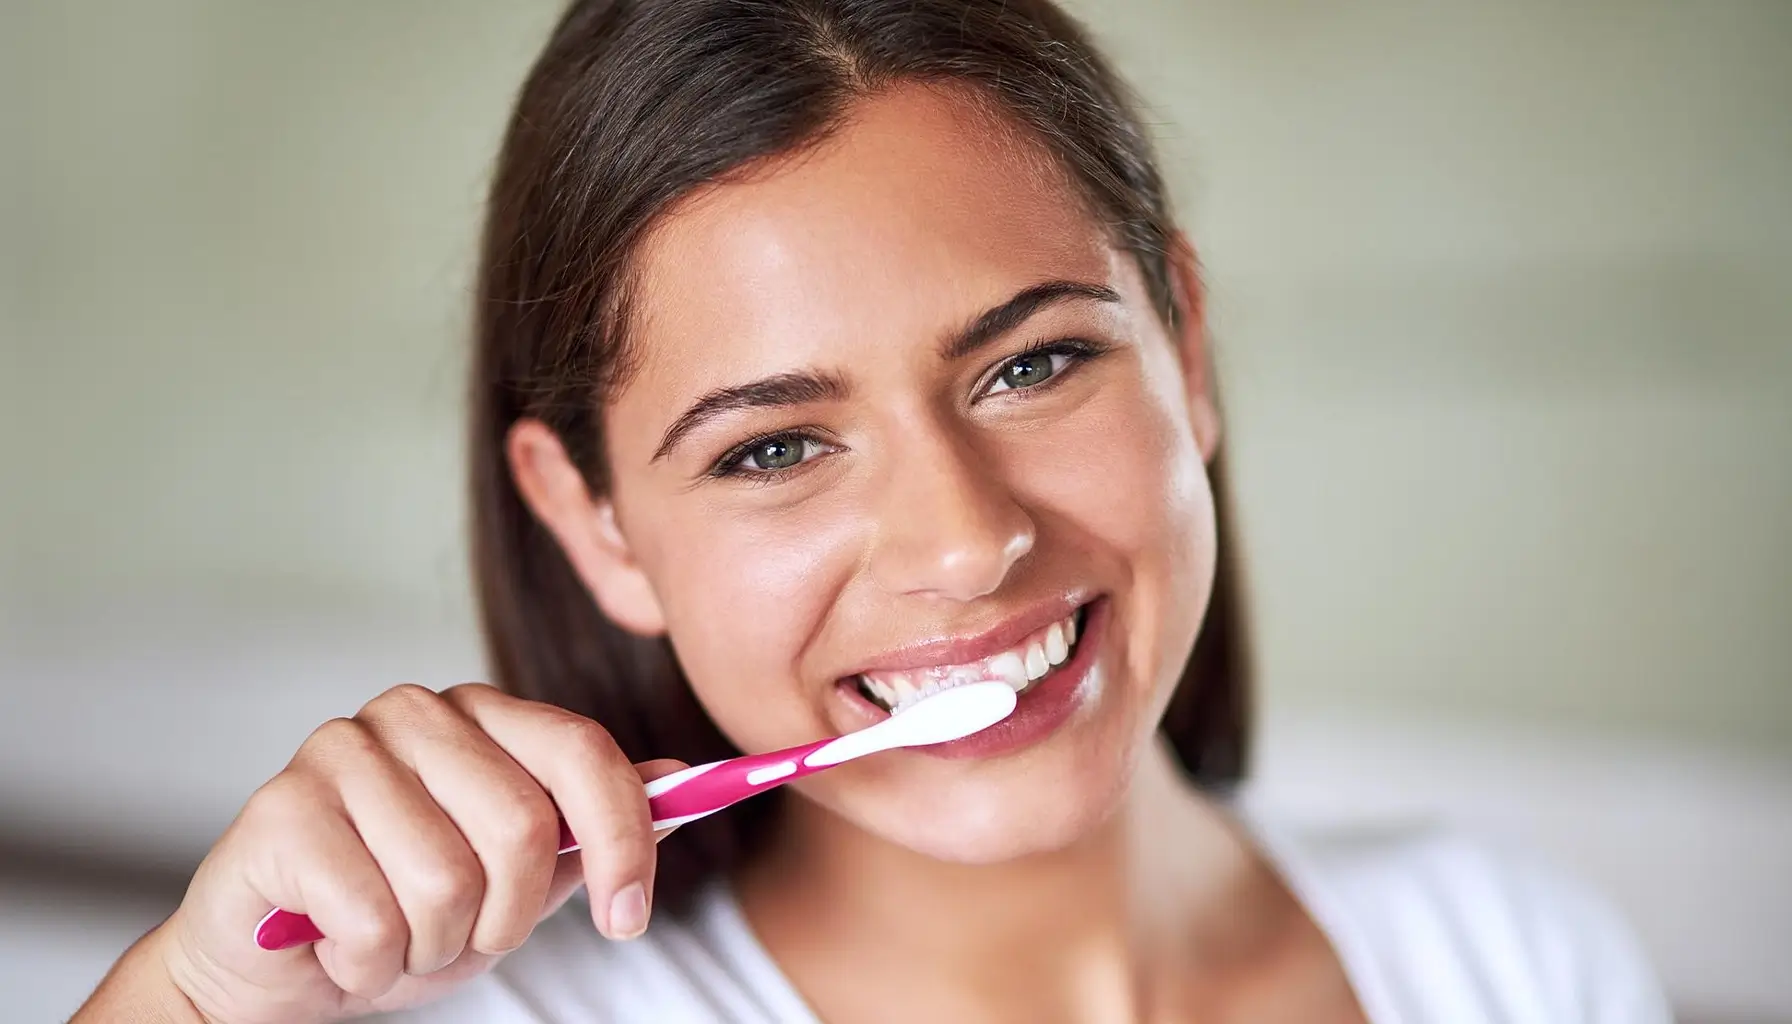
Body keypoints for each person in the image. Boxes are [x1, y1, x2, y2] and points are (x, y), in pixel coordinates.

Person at [75, 1, 1672, 1021]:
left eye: (1034, 363)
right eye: (771, 448)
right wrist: (194, 1007)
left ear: (1186, 349)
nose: (965, 542)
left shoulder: (1514, 957)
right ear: (597, 526)